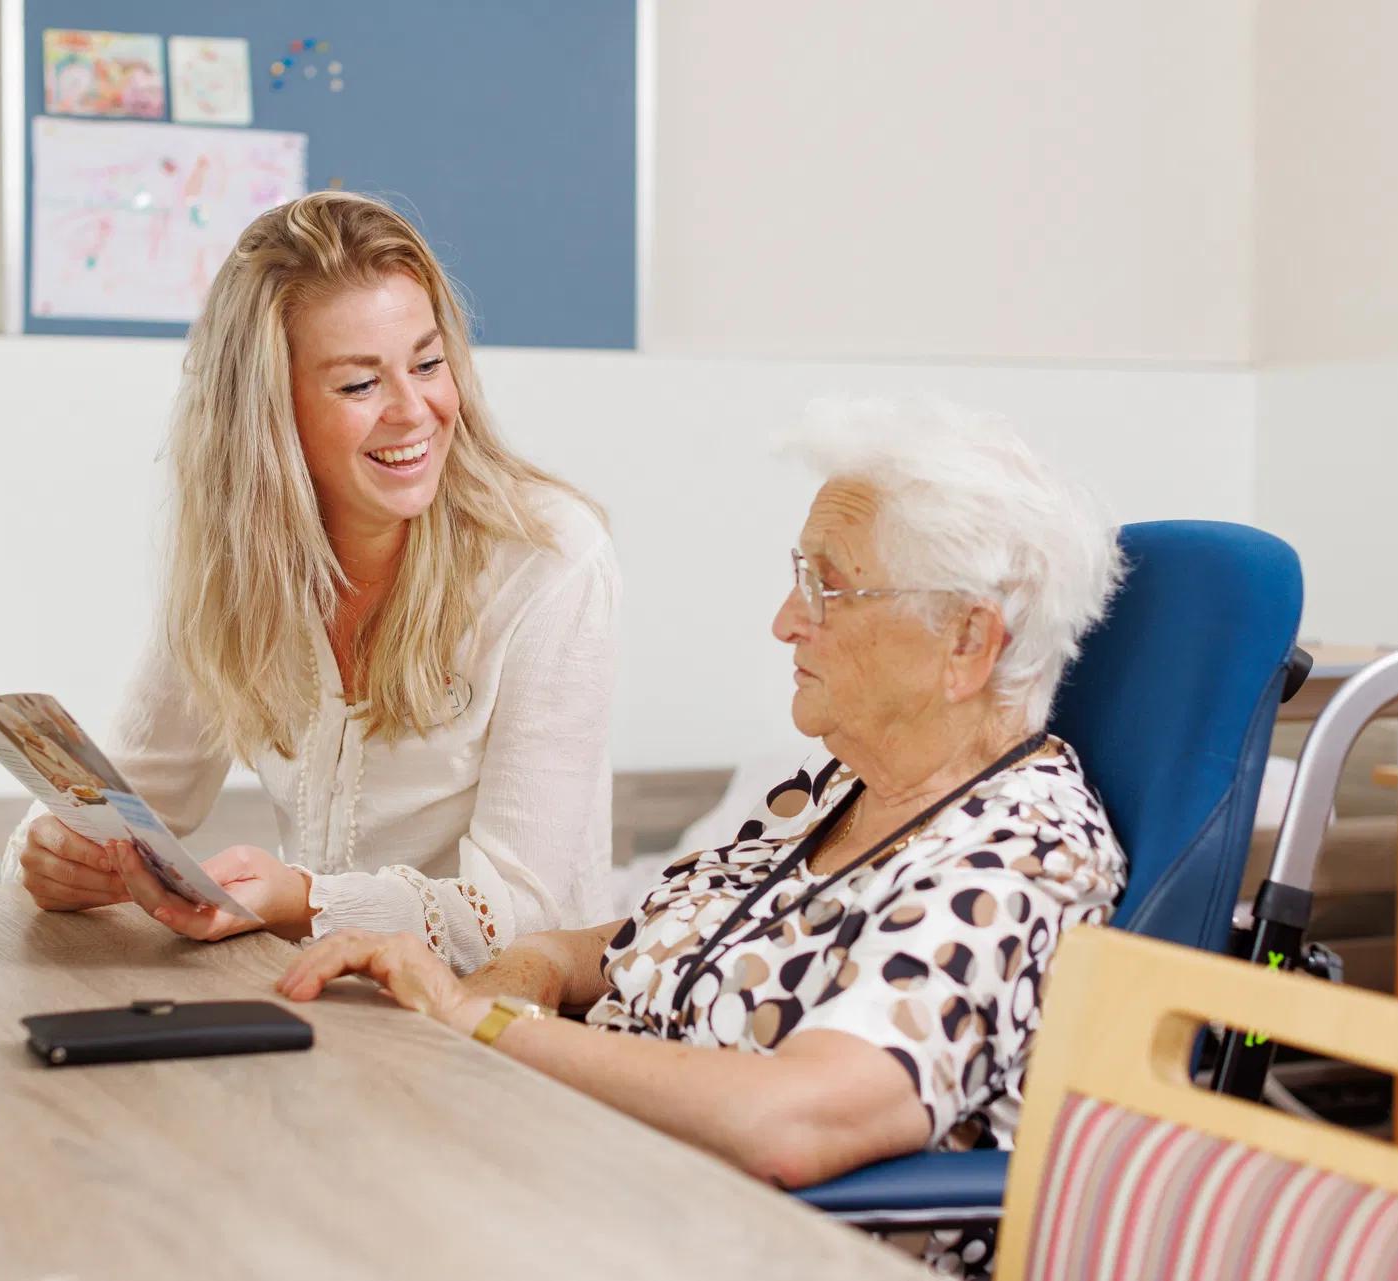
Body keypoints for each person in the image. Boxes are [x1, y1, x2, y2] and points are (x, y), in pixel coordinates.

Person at [161, 396, 1125, 1277]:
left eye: (826, 588)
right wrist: (530, 968)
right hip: (585, 1187)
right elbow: (640, 946)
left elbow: (792, 1120)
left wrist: (483, 1023)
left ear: (968, 642)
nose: (786, 620)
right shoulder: (841, 793)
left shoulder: (1015, 859)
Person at [4, 192, 619, 970]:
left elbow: (528, 915)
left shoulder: (550, 559)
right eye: (361, 385)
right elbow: (134, 795)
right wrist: (52, 850)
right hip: (322, 1008)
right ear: (269, 415)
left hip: (497, 1035)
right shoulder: (238, 562)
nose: (415, 411)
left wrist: (306, 898)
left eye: (428, 364)